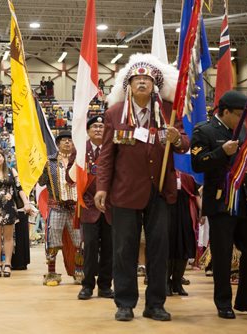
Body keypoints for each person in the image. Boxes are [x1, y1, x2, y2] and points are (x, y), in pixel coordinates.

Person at [95, 54, 188, 322]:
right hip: (124, 193)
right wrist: (102, 188)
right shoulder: (114, 113)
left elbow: (185, 141)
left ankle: (155, 304)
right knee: (124, 249)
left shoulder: (169, 111)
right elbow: (105, 156)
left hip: (159, 191)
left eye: (147, 79)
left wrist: (177, 139)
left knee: (159, 250)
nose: (142, 83)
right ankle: (124, 303)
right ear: (129, 85)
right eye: (137, 79)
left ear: (155, 84)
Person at [191, 90, 247, 318]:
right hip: (221, 201)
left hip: (246, 200)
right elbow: (197, 163)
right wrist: (220, 152)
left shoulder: (243, 130)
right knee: (222, 255)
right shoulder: (204, 130)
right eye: (239, 113)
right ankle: (223, 302)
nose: (242, 117)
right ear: (224, 111)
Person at [67, 115, 114, 300]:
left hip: (109, 206)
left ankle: (105, 286)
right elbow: (70, 178)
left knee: (109, 248)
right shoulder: (80, 150)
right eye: (94, 126)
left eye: (101, 126)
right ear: (87, 131)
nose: (98, 129)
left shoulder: (113, 148)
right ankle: (87, 286)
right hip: (88, 206)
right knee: (90, 249)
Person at [38, 131, 82, 286]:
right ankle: (51, 273)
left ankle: (79, 272)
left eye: (70, 140)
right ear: (58, 144)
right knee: (52, 240)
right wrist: (39, 169)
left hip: (75, 207)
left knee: (79, 240)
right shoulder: (49, 162)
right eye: (64, 140)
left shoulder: (79, 160)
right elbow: (42, 182)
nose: (68, 143)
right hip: (56, 206)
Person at [0, 149, 31, 277]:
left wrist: (26, 203)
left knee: (9, 237)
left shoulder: (11, 171)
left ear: (4, 158)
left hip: (9, 207)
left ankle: (8, 264)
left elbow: (19, 188)